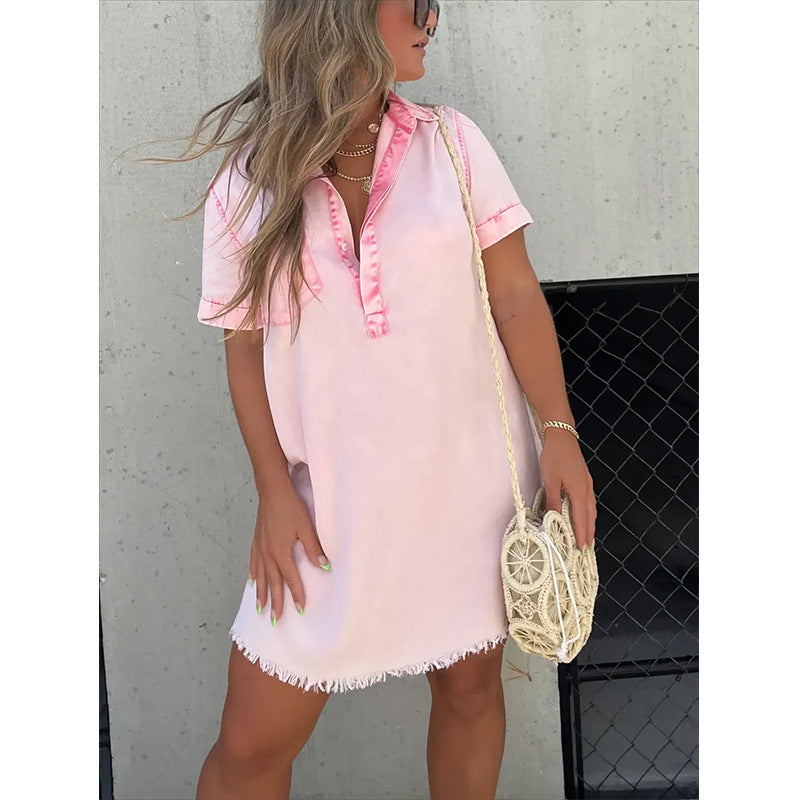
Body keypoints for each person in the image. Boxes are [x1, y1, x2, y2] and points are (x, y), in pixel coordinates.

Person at [169, 1, 597, 798]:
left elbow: (515, 296)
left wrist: (558, 429)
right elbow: (244, 350)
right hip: (331, 508)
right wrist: (272, 491)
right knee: (250, 746)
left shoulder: (455, 146)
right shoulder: (249, 181)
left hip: (467, 495)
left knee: (470, 695)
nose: (433, 16)